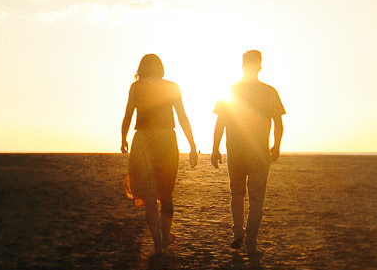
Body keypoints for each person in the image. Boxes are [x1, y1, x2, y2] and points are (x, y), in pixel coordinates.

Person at [120, 54, 198, 257]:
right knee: (166, 194)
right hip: (166, 140)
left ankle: (157, 244)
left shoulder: (136, 87)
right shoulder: (172, 86)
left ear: (142, 68)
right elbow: (182, 116)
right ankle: (165, 236)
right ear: (160, 68)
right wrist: (192, 144)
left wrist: (123, 139)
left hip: (143, 140)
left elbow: (128, 115)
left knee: (149, 196)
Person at [211, 50, 285, 255]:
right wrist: (276, 145)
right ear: (259, 66)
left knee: (237, 192)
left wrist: (215, 147)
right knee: (256, 197)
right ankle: (250, 238)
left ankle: (238, 232)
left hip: (235, 149)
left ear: (242, 66)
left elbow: (220, 122)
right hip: (259, 152)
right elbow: (278, 123)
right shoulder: (269, 91)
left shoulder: (231, 90)